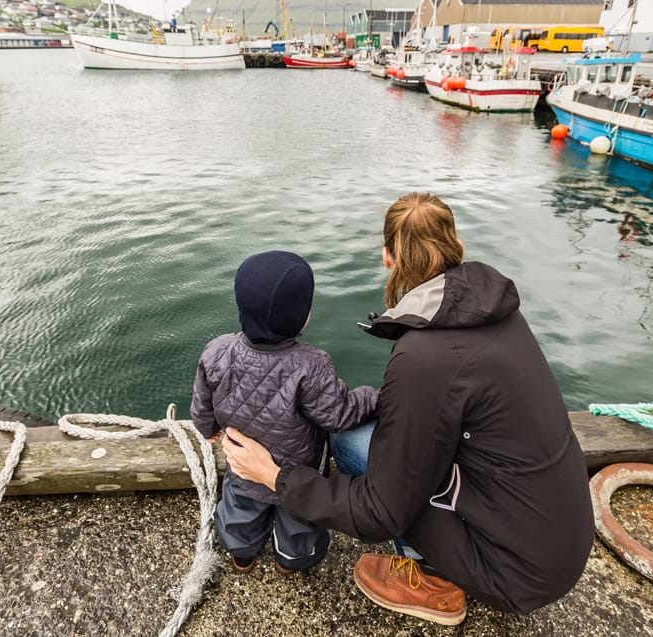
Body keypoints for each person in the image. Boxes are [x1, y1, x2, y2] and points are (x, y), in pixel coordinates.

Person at [223, 193, 595, 626]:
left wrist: (275, 477)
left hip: (513, 572)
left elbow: (382, 512)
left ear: (387, 256)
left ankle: (431, 578)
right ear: (455, 245)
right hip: (554, 534)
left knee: (349, 439)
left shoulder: (424, 356)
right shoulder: (497, 311)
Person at [191, 250, 379, 574]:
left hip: (243, 464)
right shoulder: (312, 365)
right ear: (301, 317)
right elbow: (339, 415)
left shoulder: (216, 351)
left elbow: (201, 405)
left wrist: (208, 428)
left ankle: (242, 556)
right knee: (298, 520)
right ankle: (291, 562)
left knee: (240, 507)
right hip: (297, 471)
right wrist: (373, 397)